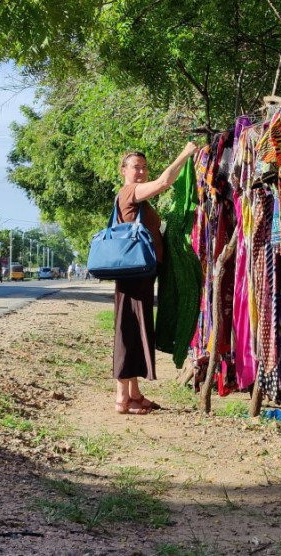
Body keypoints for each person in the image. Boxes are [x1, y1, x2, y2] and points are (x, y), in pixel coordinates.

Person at [112, 143, 198, 415]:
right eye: (136, 167)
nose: (141, 171)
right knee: (127, 334)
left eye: (144, 167)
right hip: (133, 277)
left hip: (142, 277)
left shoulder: (139, 200)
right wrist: (186, 153)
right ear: (124, 171)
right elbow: (163, 183)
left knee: (137, 332)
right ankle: (120, 399)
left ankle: (134, 394)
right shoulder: (130, 192)